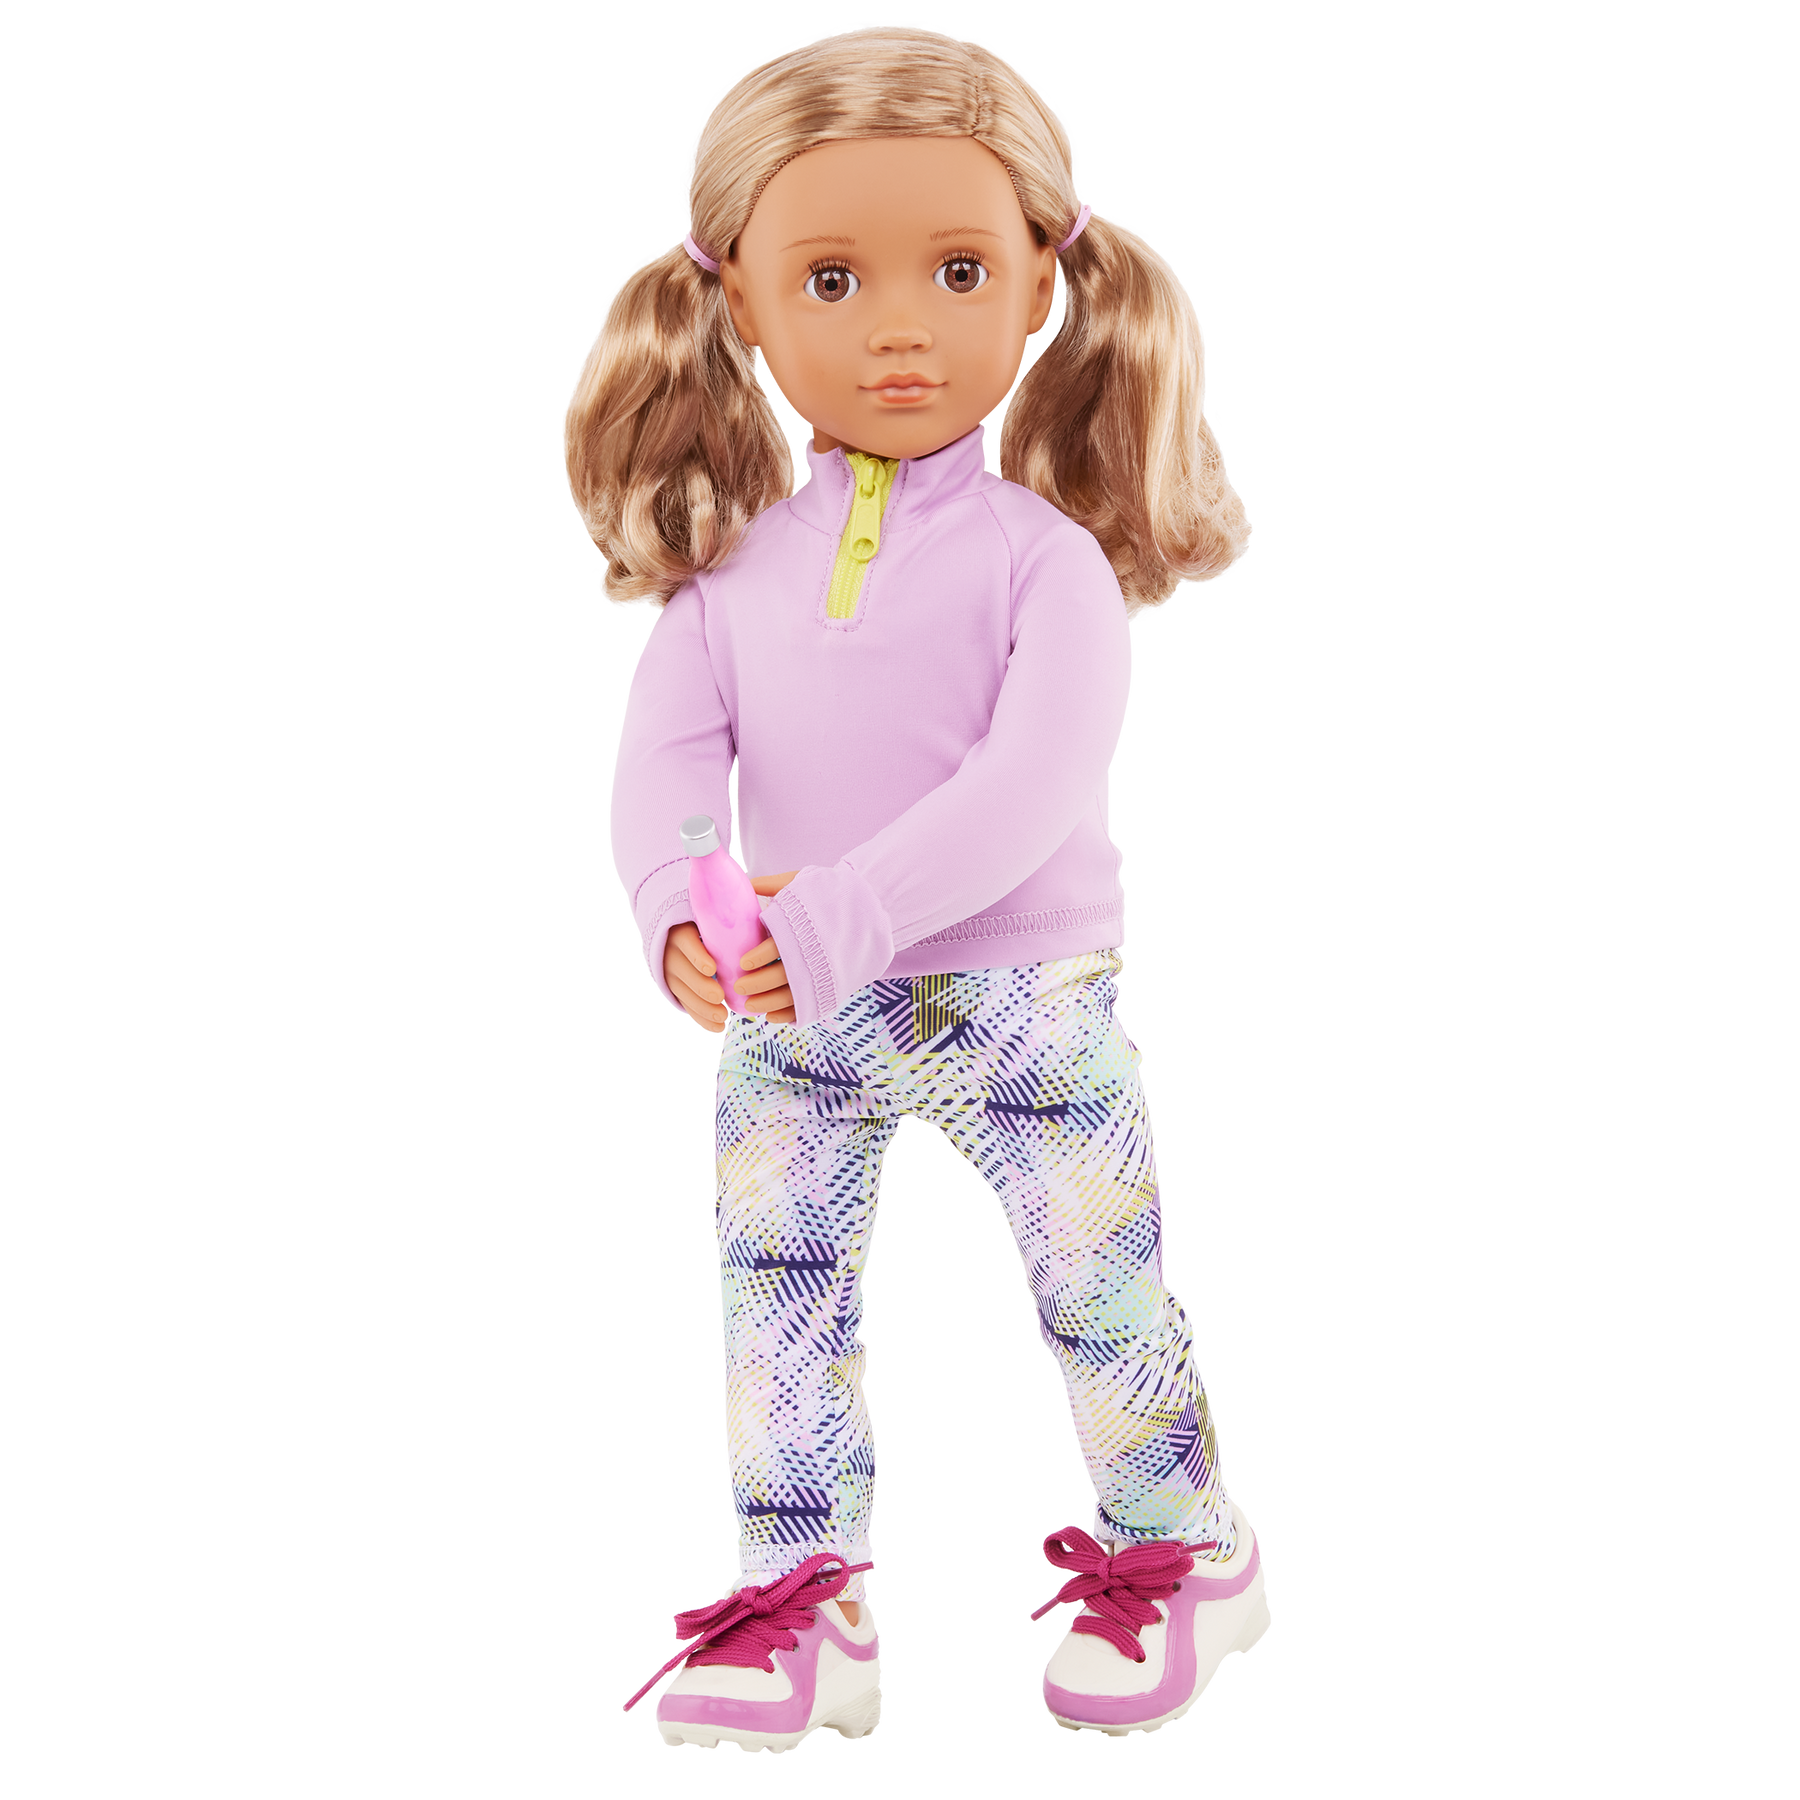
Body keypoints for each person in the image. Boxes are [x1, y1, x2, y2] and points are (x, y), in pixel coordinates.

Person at [568, 22, 1268, 1754]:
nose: (899, 328)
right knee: (778, 1301)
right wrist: (677, 908)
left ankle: (1184, 1545)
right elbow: (665, 761)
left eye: (958, 271)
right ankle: (800, 1590)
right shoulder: (727, 571)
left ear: (1043, 283)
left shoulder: (1051, 567)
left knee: (1098, 1289)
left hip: (1022, 1002)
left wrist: (830, 921)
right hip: (788, 1005)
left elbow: (1030, 791)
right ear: (736, 304)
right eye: (832, 278)